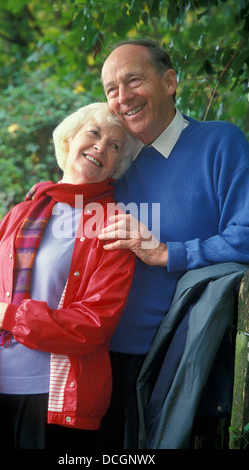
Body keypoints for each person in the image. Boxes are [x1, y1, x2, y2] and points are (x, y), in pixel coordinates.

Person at [98, 38, 249, 448]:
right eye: (112, 89)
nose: (123, 97)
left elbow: (246, 236)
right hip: (101, 355)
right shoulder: (112, 160)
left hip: (183, 361)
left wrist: (167, 253)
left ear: (169, 82)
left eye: (133, 81)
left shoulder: (220, 143)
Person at [0, 102, 140, 450]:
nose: (101, 147)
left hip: (53, 402)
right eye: (93, 133)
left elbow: (95, 321)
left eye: (115, 146)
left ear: (117, 165)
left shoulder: (111, 224)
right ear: (68, 139)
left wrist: (12, 316)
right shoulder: (22, 211)